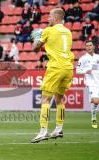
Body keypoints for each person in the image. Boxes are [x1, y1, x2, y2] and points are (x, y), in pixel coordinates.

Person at [31, 8, 74, 143]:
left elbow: (35, 49)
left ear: (56, 18)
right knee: (60, 99)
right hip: (68, 68)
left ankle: (43, 131)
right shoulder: (68, 32)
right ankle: (59, 128)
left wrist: (37, 37)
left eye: (49, 16)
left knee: (45, 99)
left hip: (55, 68)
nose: (48, 19)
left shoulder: (48, 30)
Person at [76, 40, 99, 128]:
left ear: (94, 47)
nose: (89, 47)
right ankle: (93, 117)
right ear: (85, 48)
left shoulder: (98, 57)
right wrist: (86, 71)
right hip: (91, 84)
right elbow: (77, 71)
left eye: (90, 45)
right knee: (96, 101)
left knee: (95, 102)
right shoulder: (83, 58)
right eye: (87, 46)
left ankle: (93, 114)